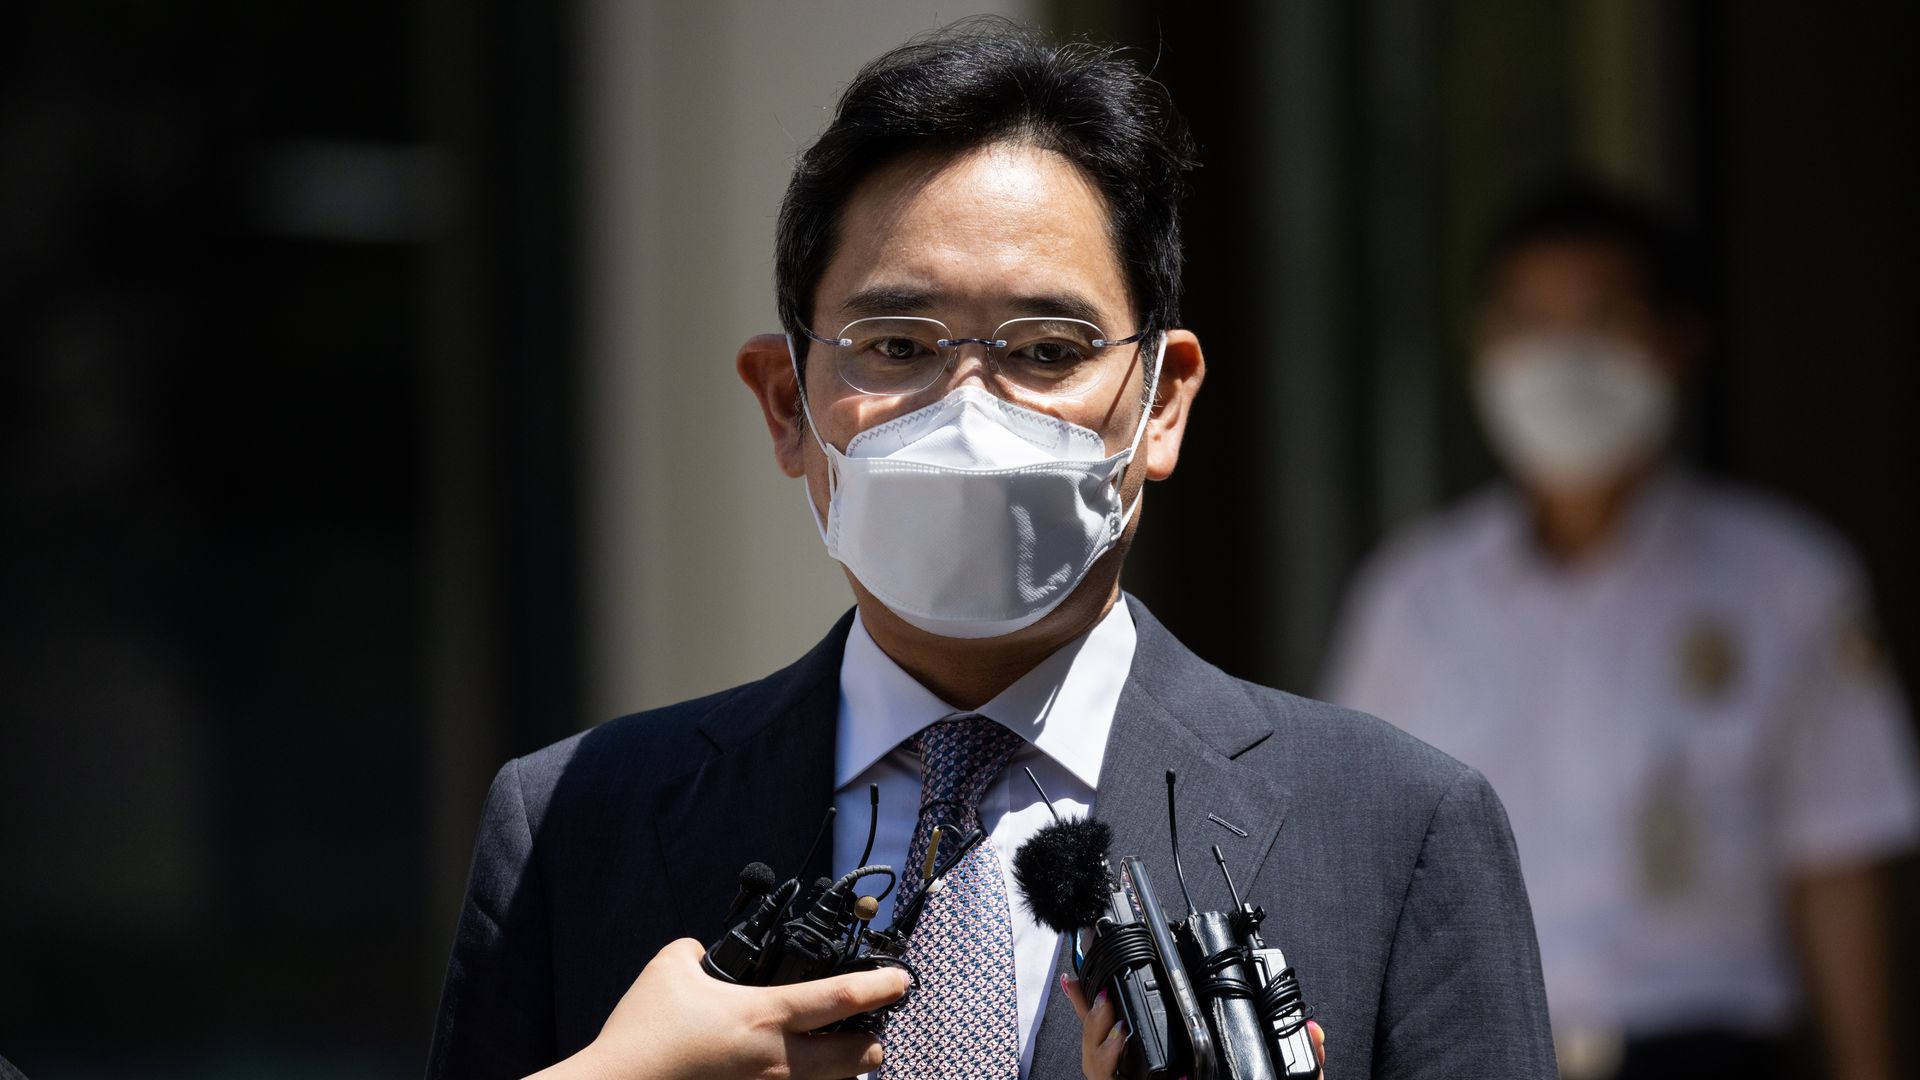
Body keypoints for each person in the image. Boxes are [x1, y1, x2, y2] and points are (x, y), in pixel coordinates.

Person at [428, 20, 1556, 1080]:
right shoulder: (577, 821)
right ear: (786, 404)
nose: (969, 409)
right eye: (898, 345)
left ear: (1162, 404)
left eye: (1048, 349)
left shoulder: (1393, 830)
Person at [1323, 182, 1920, 1080]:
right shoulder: (1414, 601)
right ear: (1485, 345)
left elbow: (1840, 865)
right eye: (1531, 322)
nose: (1565, 358)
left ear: (1681, 341)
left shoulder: (1790, 585)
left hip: (1703, 1058)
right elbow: (1355, 867)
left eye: (1606, 318)